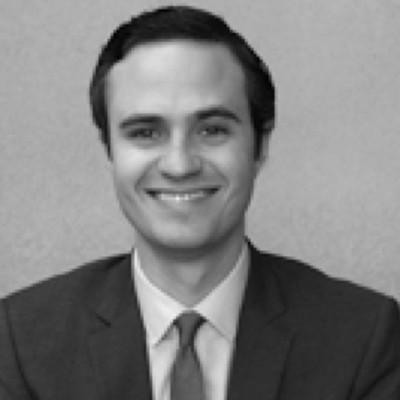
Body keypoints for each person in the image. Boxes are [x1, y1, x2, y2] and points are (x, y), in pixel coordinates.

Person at [0, 5, 399, 400]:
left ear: (260, 146)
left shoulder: (364, 338)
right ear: (110, 151)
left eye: (212, 130)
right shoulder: (21, 342)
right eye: (145, 133)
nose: (179, 165)